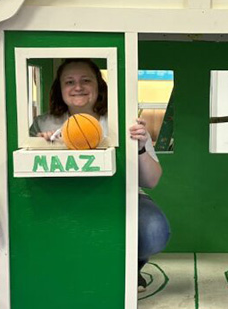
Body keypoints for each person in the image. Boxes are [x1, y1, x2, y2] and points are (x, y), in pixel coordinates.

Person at [30, 58, 170, 292]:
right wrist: (41, 145)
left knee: (154, 229)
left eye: (86, 80)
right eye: (70, 81)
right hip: (63, 198)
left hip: (121, 195)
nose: (78, 87)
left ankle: (130, 267)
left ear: (99, 86)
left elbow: (152, 181)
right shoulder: (44, 123)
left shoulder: (123, 120)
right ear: (59, 88)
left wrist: (141, 146)